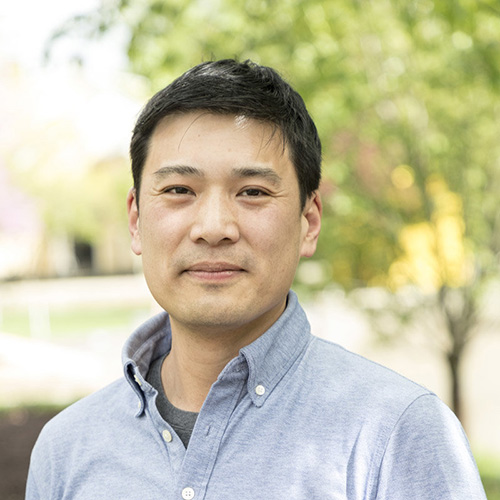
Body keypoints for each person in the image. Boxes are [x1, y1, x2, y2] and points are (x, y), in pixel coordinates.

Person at [26, 59, 486, 499]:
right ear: (135, 220)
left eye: (252, 192)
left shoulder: (395, 433)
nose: (213, 227)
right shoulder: (66, 449)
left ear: (309, 221)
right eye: (179, 190)